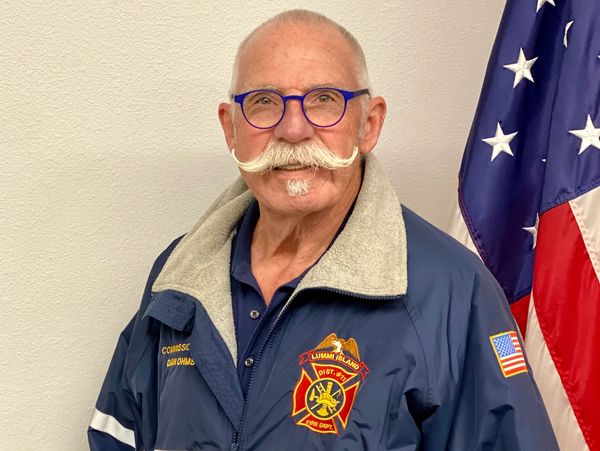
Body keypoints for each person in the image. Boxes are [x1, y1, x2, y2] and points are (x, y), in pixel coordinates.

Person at [88, 9, 559, 451]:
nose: (293, 129)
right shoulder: (178, 276)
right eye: (264, 103)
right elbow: (118, 435)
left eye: (324, 100)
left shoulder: (453, 290)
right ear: (230, 129)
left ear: (369, 124)